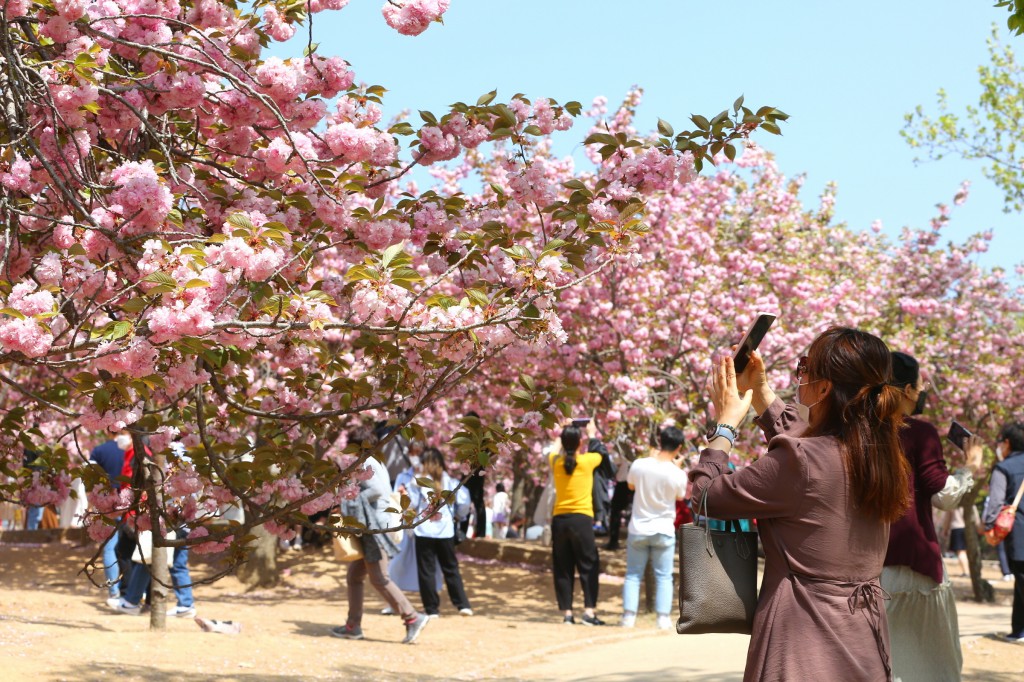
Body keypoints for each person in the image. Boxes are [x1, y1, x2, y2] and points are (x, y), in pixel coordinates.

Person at [691, 326, 911, 681]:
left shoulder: (803, 460)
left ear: (824, 388)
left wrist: (726, 426)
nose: (800, 375)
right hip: (863, 642)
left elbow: (705, 498)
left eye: (804, 367)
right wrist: (761, 392)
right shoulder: (880, 454)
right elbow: (807, 445)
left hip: (802, 645)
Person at [881, 350, 982, 681]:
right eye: (921, 383)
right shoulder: (918, 432)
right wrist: (969, 468)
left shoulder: (855, 430)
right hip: (916, 571)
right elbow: (943, 496)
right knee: (932, 664)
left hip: (866, 569)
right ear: (908, 390)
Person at [331, 427, 430, 644]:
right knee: (354, 577)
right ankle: (353, 625)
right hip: (373, 526)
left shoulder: (366, 462)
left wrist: (347, 501)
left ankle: (412, 617)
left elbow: (376, 491)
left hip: (374, 528)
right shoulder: (374, 461)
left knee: (380, 578)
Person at [620, 425, 687, 630]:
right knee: (664, 576)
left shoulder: (640, 465)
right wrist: (677, 467)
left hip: (638, 527)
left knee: (633, 574)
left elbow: (630, 486)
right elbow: (680, 497)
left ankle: (629, 617)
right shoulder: (677, 474)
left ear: (660, 441)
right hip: (664, 529)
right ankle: (663, 618)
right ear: (678, 448)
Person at [549, 423, 606, 625]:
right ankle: (589, 612)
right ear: (581, 442)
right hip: (582, 519)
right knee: (588, 565)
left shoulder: (555, 461)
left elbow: (554, 449)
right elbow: (599, 449)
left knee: (563, 567)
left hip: (560, 520)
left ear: (564, 443)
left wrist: (562, 430)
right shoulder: (588, 461)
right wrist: (591, 433)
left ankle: (567, 614)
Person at [408, 447, 473, 618]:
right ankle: (462, 605)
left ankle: (431, 609)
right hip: (445, 532)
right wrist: (459, 516)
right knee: (451, 568)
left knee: (426, 571)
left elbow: (411, 504)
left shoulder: (418, 482)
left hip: (424, 531)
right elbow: (465, 502)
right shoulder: (450, 482)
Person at [982, 421, 1024, 643]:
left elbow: (996, 502)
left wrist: (989, 526)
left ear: (1007, 443)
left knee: (1021, 577)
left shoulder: (1004, 467)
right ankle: (1018, 630)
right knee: (1020, 582)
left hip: (1019, 536)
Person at [90, 432, 129, 607]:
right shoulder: (132, 450)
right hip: (129, 502)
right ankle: (133, 589)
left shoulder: (99, 451)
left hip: (106, 504)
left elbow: (90, 479)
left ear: (107, 430)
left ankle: (114, 591)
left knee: (109, 549)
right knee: (129, 546)